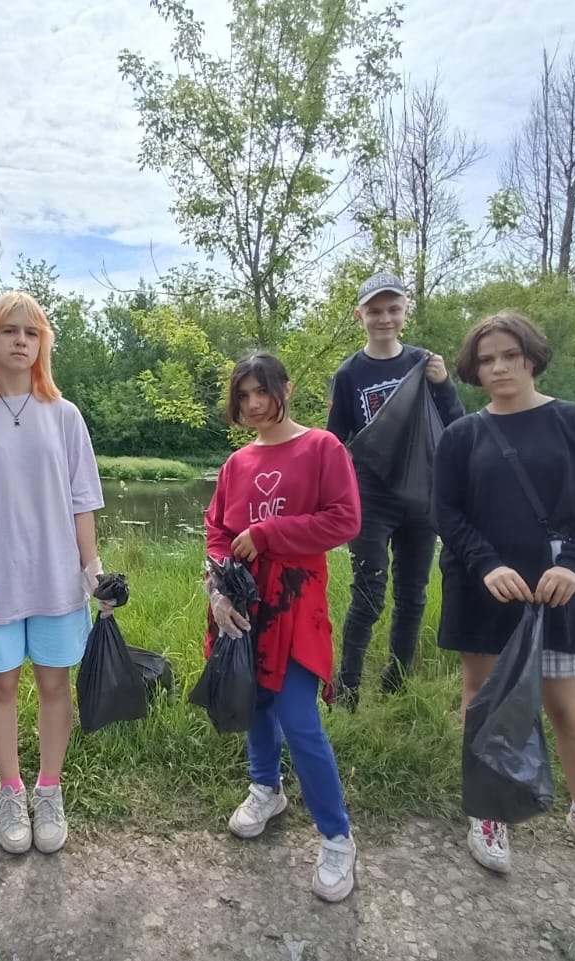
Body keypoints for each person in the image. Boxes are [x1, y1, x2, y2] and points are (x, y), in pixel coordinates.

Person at [433, 311, 575, 888]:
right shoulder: (461, 435)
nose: (497, 368)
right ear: (473, 368)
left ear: (532, 357)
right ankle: (488, 812)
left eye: (509, 355)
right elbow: (449, 515)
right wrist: (486, 565)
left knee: (568, 710)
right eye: (486, 359)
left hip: (557, 596)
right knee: (483, 701)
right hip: (484, 592)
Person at [0, 291, 106, 857]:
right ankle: (10, 790)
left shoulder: (63, 416)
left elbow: (83, 500)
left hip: (58, 578)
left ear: (43, 344)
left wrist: (93, 574)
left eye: (31, 332)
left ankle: (49, 788)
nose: (20, 340)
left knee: (54, 683)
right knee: (2, 683)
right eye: (10, 330)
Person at [204, 352, 362, 903]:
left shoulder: (322, 448)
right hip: (245, 603)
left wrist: (270, 533)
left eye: (261, 392)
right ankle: (265, 789)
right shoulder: (236, 464)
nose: (253, 404)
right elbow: (217, 532)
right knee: (256, 703)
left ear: (286, 388)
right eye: (243, 396)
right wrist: (219, 591)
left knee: (299, 717)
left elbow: (344, 520)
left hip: (296, 603)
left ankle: (337, 836)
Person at [327, 272, 465, 709]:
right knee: (368, 592)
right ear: (359, 316)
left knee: (413, 592)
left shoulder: (425, 364)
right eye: (374, 310)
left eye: (392, 309)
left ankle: (397, 681)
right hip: (372, 496)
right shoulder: (349, 374)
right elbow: (335, 440)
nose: (384, 318)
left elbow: (457, 426)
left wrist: (443, 385)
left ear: (406, 312)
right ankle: (347, 688)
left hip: (423, 496)